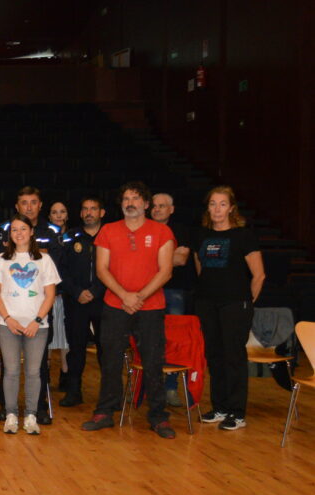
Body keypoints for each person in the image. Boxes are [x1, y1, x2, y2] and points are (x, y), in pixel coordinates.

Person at [82, 182, 177, 439]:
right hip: (116, 305)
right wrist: (125, 296)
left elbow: (166, 271)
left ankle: (158, 416)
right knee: (110, 360)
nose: (130, 203)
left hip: (151, 307)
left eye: (135, 198)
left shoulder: (162, 231)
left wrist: (139, 297)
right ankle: (105, 412)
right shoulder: (108, 231)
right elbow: (101, 269)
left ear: (146, 204)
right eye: (126, 198)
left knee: (153, 362)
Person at [193, 186, 265, 431]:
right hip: (207, 303)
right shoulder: (201, 235)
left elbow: (259, 275)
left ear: (231, 208)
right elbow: (200, 268)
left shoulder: (244, 236)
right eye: (213, 204)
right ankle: (220, 407)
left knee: (233, 357)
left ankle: (237, 412)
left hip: (235, 304)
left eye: (222, 204)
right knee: (214, 356)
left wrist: (246, 302)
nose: (217, 209)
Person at [0, 215, 60, 435]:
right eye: (14, 230)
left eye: (23, 229)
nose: (19, 233)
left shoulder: (44, 260)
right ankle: (11, 414)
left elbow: (50, 295)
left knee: (34, 372)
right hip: (7, 325)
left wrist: (37, 321)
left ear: (31, 232)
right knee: (11, 371)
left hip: (37, 327)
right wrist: (8, 319)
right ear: (10, 234)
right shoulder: (1, 259)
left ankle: (30, 415)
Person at [57, 196, 106, 406]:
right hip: (76, 301)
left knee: (106, 349)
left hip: (103, 300)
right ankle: (74, 391)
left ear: (101, 213)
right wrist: (77, 292)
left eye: (93, 209)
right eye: (85, 209)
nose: (89, 213)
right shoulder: (70, 237)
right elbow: (61, 269)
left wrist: (95, 291)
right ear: (80, 213)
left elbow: (115, 268)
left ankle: (108, 394)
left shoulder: (110, 235)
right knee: (76, 348)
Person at [151, 192, 195, 407]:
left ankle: (170, 387)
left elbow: (181, 258)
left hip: (174, 292)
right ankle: (147, 388)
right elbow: (173, 258)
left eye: (162, 206)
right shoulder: (144, 228)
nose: (157, 209)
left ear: (172, 209)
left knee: (174, 341)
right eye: (154, 206)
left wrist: (151, 257)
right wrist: (168, 256)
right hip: (147, 292)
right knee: (147, 340)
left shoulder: (181, 230)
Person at [46, 201, 70, 376]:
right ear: (49, 217)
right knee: (46, 338)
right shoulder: (44, 236)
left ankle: (65, 374)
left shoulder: (73, 236)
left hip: (67, 294)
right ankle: (45, 374)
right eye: (55, 212)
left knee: (66, 339)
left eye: (62, 212)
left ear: (67, 215)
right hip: (47, 294)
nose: (59, 215)